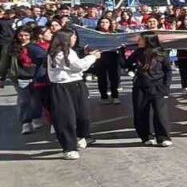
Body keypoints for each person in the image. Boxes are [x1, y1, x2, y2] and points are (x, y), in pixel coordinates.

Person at [46, 30, 100, 159]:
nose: (75, 39)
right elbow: (76, 66)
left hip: (77, 85)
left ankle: (82, 136)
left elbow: (81, 67)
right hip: (62, 87)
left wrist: (89, 57)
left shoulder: (71, 51)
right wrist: (93, 57)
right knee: (66, 118)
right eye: (72, 37)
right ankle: (68, 148)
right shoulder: (58, 54)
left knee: (83, 115)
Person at [126, 31, 173, 147]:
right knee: (140, 112)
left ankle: (162, 137)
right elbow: (126, 64)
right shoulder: (137, 53)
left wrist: (166, 87)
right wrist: (121, 53)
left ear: (148, 40)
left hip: (158, 87)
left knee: (160, 113)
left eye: (141, 39)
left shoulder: (161, 53)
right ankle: (146, 136)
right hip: (140, 87)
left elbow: (168, 71)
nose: (138, 41)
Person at [7, 25, 46, 134]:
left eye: (26, 35)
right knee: (24, 100)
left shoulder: (35, 47)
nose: (23, 37)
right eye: (21, 35)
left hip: (35, 76)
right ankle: (26, 122)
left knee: (36, 100)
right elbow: (5, 62)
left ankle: (36, 117)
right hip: (21, 77)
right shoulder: (12, 47)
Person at [91, 16, 123, 104]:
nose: (104, 24)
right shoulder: (94, 33)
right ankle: (104, 96)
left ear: (110, 24)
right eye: (102, 22)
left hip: (112, 56)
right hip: (100, 57)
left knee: (114, 77)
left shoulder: (115, 33)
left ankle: (115, 96)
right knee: (101, 78)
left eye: (106, 22)